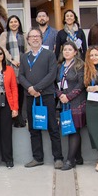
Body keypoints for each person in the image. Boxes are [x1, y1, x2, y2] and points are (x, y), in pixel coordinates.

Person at [18, 28, 63, 168]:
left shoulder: (49, 55)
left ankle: (58, 158)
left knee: (53, 127)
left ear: (41, 38)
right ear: (28, 40)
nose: (35, 39)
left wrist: (37, 88)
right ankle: (37, 158)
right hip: (31, 97)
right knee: (33, 128)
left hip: (46, 95)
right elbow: (21, 76)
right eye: (32, 37)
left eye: (37, 36)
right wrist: (30, 89)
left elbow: (52, 74)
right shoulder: (24, 57)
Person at [56, 42, 86, 170]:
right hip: (63, 102)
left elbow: (81, 84)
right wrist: (60, 95)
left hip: (76, 101)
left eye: (70, 49)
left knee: (74, 130)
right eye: (65, 49)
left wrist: (69, 96)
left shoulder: (79, 65)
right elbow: (55, 83)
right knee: (69, 129)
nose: (67, 52)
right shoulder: (59, 66)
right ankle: (77, 157)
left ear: (75, 52)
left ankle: (70, 160)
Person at [0, 15, 26, 127]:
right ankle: (13, 117)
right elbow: (2, 49)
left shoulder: (23, 35)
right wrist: (12, 60)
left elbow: (27, 50)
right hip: (10, 67)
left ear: (19, 23)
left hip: (22, 68)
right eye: (11, 22)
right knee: (11, 93)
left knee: (20, 93)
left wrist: (23, 61)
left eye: (16, 21)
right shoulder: (4, 35)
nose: (14, 24)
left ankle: (19, 116)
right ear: (8, 24)